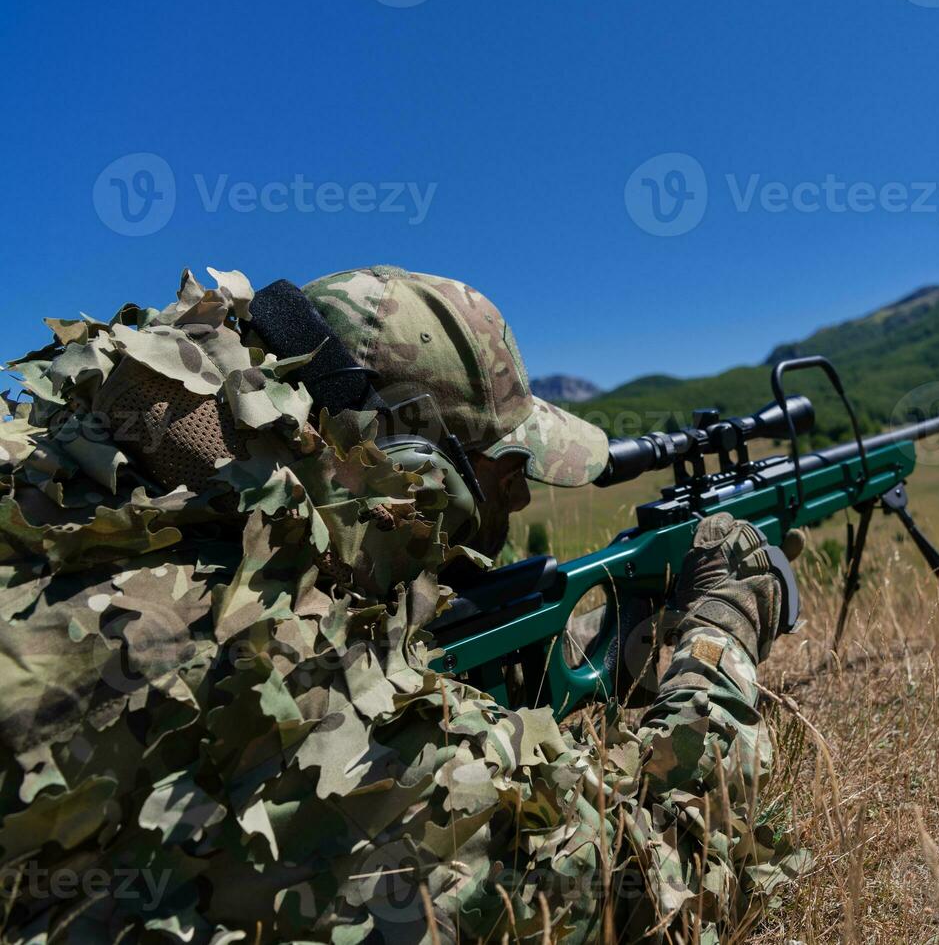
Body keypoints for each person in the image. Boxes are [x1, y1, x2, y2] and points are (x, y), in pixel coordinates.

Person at [0, 265, 804, 943]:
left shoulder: (86, 497)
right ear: (408, 469)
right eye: (503, 471)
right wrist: (721, 621)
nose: (518, 502)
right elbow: (661, 880)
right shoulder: (290, 681)